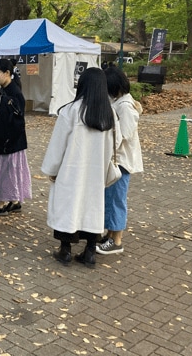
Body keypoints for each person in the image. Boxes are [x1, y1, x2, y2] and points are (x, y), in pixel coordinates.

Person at [41, 68, 121, 269]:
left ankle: (66, 250)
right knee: (92, 208)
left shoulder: (71, 111)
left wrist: (52, 169)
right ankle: (90, 252)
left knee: (69, 207)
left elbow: (58, 144)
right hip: (97, 173)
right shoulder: (109, 113)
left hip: (71, 171)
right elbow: (117, 142)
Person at [97, 66, 143, 255]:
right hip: (117, 160)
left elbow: (122, 134)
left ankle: (116, 240)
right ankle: (110, 234)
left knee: (116, 199)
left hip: (121, 160)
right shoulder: (122, 102)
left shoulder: (124, 106)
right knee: (111, 198)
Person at [0, 58, 32, 216]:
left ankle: (1, 203)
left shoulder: (14, 92)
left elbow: (17, 121)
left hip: (10, 141)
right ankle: (14, 201)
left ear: (7, 73)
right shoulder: (5, 89)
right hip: (9, 140)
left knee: (7, 172)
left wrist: (6, 140)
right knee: (10, 172)